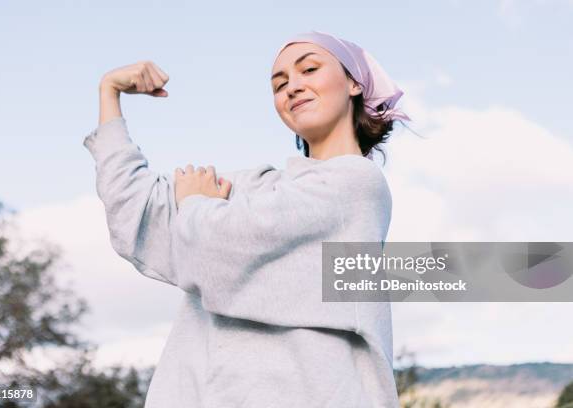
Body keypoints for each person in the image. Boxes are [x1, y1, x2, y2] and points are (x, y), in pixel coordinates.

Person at [83, 30, 411, 408]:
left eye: (309, 69)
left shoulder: (357, 185)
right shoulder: (251, 190)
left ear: (354, 83)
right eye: (280, 83)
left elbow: (222, 245)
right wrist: (109, 94)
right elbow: (136, 212)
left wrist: (194, 205)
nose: (292, 87)